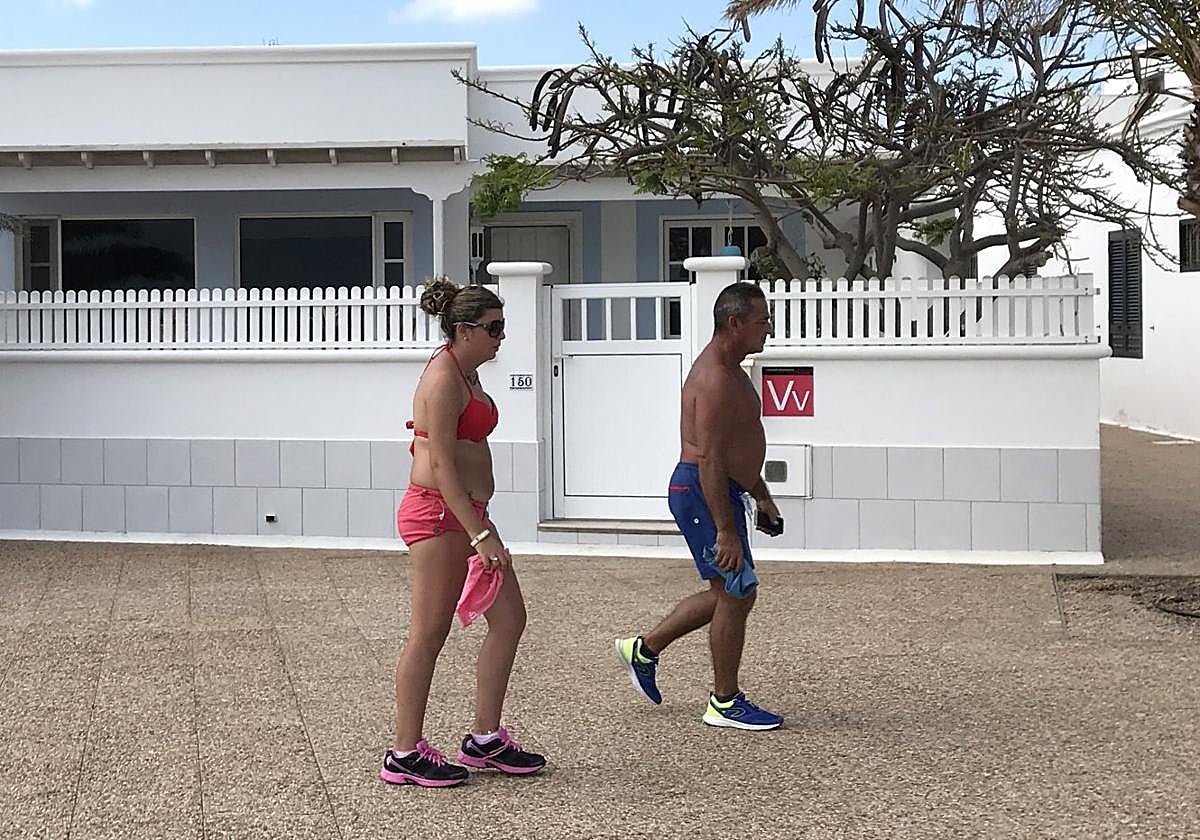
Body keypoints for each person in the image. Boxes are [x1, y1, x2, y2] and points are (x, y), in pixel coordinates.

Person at [381, 277, 546, 788]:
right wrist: (481, 535)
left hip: (466, 515)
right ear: (464, 329)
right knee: (428, 635)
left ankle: (484, 740)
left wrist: (478, 524)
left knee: (510, 618)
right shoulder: (444, 381)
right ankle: (404, 753)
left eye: (503, 327)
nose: (501, 338)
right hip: (438, 516)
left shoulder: (467, 374)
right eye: (493, 329)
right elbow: (443, 467)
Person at [615, 281, 784, 731]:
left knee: (729, 592)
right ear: (735, 323)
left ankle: (644, 649)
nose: (767, 329)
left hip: (721, 489)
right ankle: (724, 702)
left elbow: (736, 447)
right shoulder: (713, 379)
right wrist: (726, 530)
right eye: (761, 321)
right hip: (701, 490)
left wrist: (760, 493)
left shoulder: (734, 371)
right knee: (737, 590)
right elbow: (709, 458)